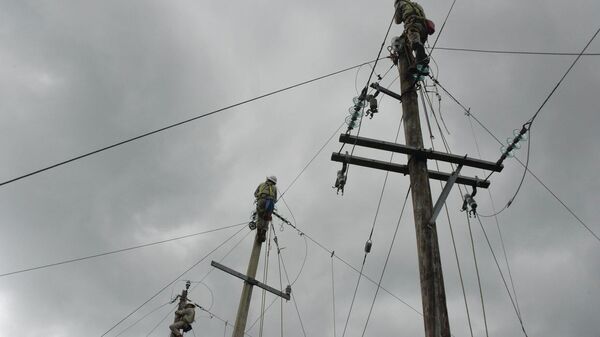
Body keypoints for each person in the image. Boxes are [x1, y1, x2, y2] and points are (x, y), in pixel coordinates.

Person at [393, 0, 434, 76]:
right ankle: (419, 65)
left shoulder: (400, 3)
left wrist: (396, 6)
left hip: (413, 24)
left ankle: (421, 64)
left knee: (415, 43)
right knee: (418, 46)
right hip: (424, 28)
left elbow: (397, 21)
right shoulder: (416, 4)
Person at [254, 176, 278, 242]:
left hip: (261, 201)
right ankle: (263, 233)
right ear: (274, 182)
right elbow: (275, 199)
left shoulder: (261, 184)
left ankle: (259, 233)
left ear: (267, 179)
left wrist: (260, 197)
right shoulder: (274, 188)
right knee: (267, 217)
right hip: (270, 202)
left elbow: (255, 194)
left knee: (260, 217)